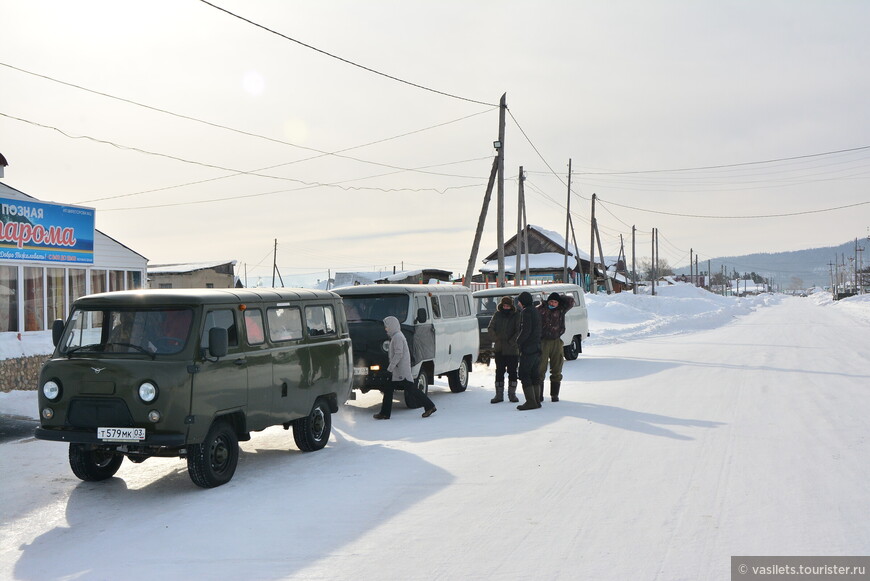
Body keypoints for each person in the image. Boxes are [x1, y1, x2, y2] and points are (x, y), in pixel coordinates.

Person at [373, 316, 437, 420]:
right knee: (390, 389)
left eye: (387, 326)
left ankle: (430, 406)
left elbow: (398, 354)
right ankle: (385, 413)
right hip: (399, 371)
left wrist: (390, 368)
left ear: (392, 326)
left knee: (411, 390)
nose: (386, 329)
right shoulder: (396, 336)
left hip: (401, 371)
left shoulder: (397, 337)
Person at [537, 291, 575, 402]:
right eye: (551, 301)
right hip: (543, 342)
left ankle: (554, 395)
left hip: (556, 341)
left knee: (557, 368)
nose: (552, 304)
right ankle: (539, 395)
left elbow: (571, 301)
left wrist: (558, 296)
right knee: (540, 369)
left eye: (555, 302)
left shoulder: (561, 310)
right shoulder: (540, 309)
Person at [487, 296, 521, 403]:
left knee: (513, 372)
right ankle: (499, 395)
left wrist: (512, 341)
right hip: (499, 349)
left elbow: (519, 330)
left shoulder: (516, 315)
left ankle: (512, 395)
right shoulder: (497, 314)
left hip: (512, 350)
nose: (506, 307)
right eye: (504, 306)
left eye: (508, 306)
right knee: (499, 372)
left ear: (511, 306)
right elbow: (490, 327)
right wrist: (496, 339)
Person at [515, 291, 542, 411]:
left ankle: (531, 402)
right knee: (534, 374)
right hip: (536, 347)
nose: (519, 303)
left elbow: (526, 330)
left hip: (529, 349)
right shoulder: (535, 310)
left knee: (524, 374)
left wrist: (518, 342)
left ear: (523, 302)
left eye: (520, 301)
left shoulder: (526, 312)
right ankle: (536, 400)